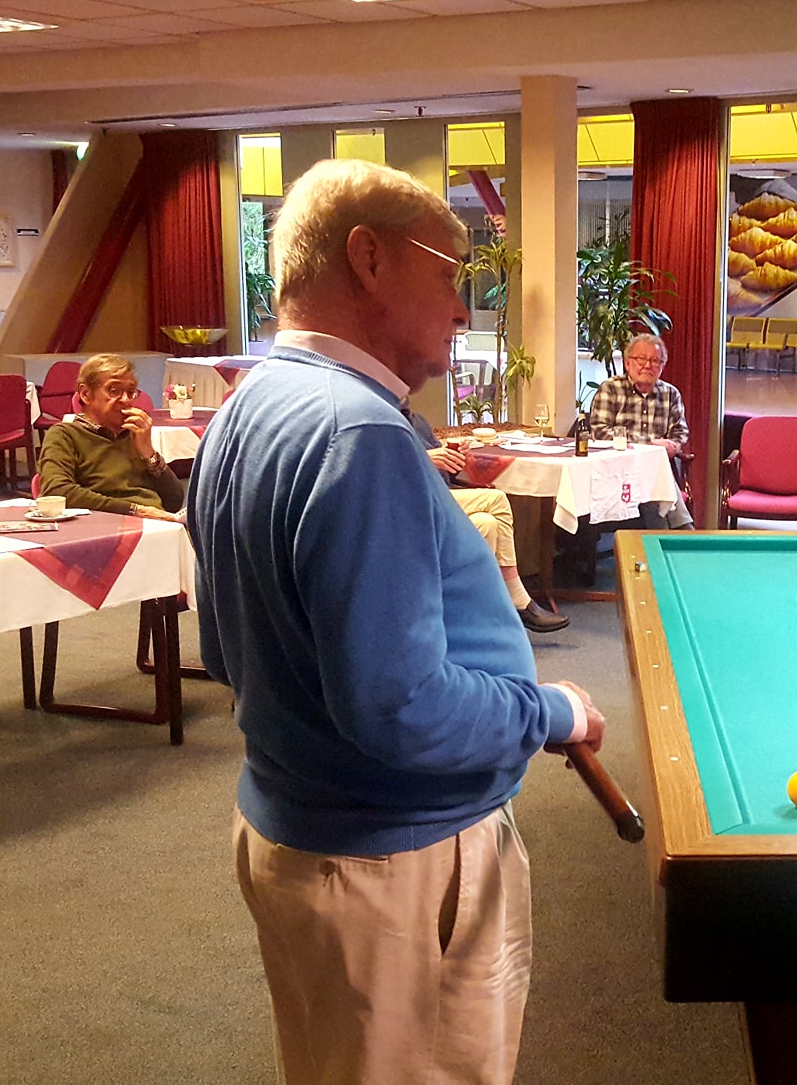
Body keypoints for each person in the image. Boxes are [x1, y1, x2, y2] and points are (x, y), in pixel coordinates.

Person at [187, 158, 606, 1085]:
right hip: (392, 865)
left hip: (305, 834)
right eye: (450, 273)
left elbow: (223, 646)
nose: (461, 308)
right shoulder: (361, 432)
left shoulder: (249, 403)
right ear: (368, 259)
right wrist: (552, 712)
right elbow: (400, 707)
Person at [400, 401, 570, 633]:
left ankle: (478, 615)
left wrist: (454, 458)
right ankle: (518, 598)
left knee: (487, 523)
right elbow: (386, 477)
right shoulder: (386, 428)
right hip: (412, 505)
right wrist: (424, 458)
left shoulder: (417, 421)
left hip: (441, 496)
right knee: (496, 499)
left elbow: (445, 474)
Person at [37, 352, 183, 520]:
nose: (126, 400)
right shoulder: (64, 435)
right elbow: (56, 491)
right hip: (108, 525)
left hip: (158, 523)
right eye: (114, 391)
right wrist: (133, 510)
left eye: (131, 392)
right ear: (86, 394)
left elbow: (174, 501)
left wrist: (149, 453)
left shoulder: (135, 434)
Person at [583, 333, 693, 529]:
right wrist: (649, 445)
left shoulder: (670, 394)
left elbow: (680, 433)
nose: (647, 365)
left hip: (657, 470)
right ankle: (682, 534)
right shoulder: (611, 389)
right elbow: (600, 432)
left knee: (652, 474)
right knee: (651, 482)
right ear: (627, 363)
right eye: (641, 359)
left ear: (662, 366)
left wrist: (672, 447)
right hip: (618, 470)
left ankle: (674, 536)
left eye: (655, 361)